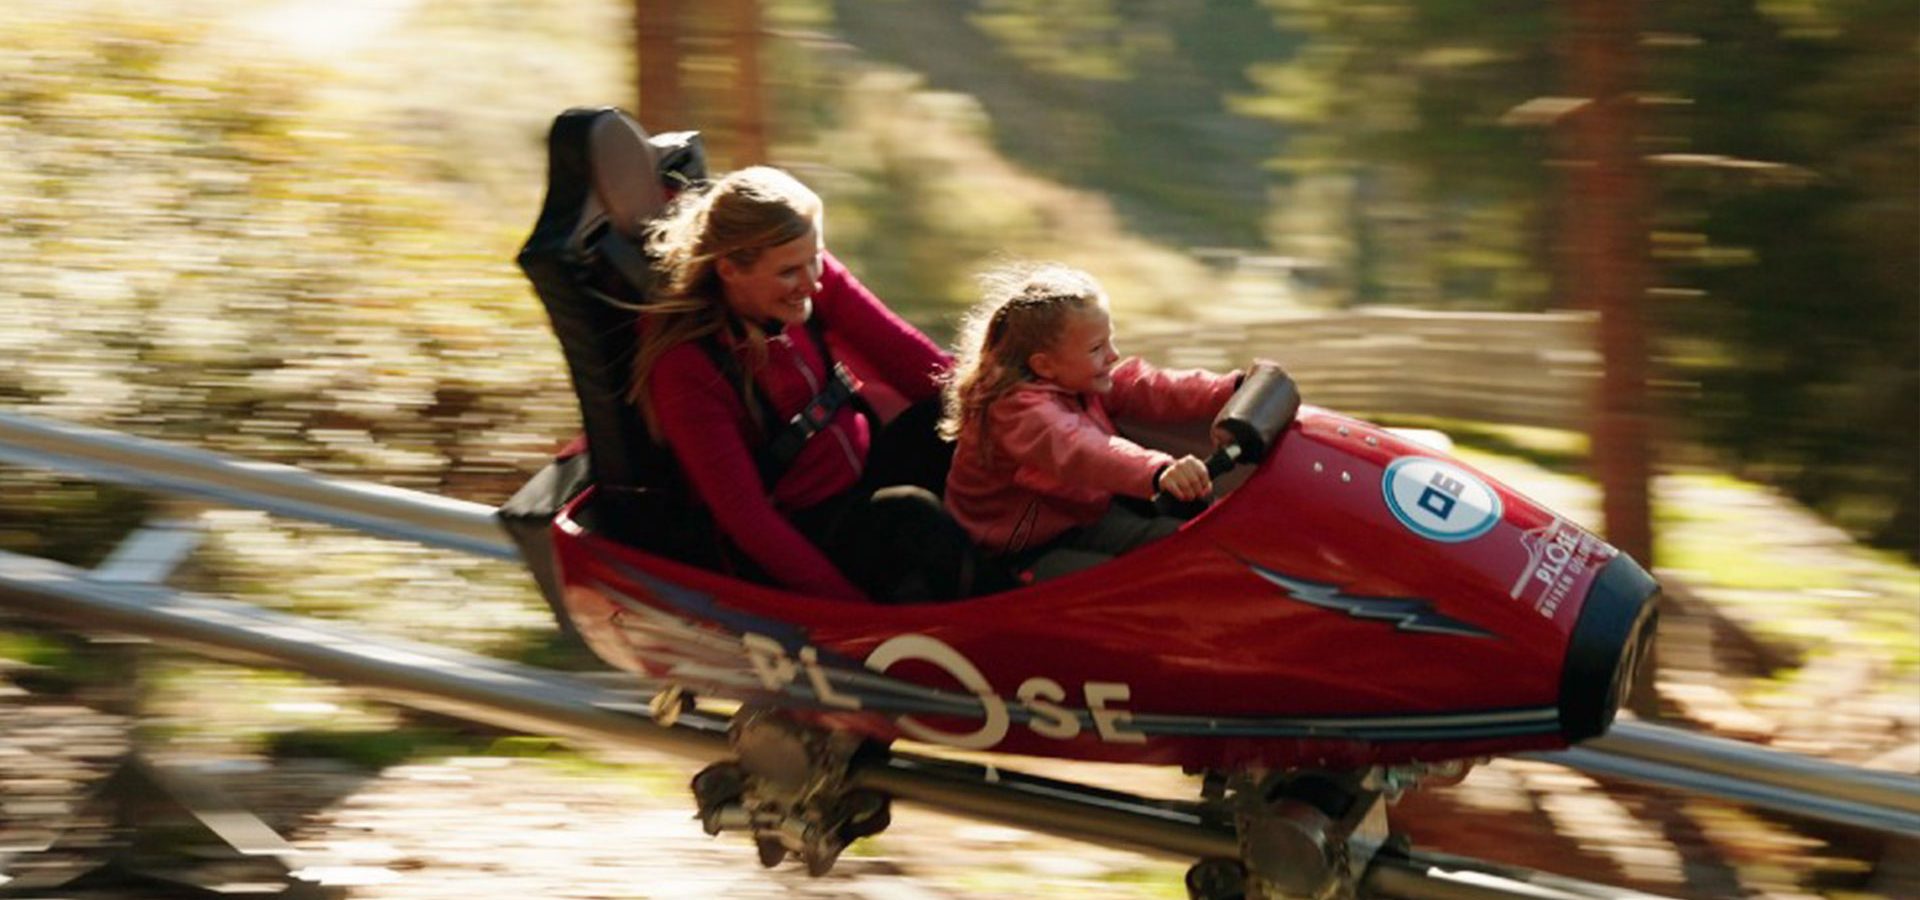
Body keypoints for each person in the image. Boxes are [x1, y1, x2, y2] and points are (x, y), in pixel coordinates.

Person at [632, 165, 983, 602]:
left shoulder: (801, 271)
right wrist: (850, 618)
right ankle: (1005, 617)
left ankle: (1039, 561)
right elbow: (750, 523)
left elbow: (915, 363)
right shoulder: (687, 365)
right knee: (914, 521)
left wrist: (1009, 410)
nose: (812, 282)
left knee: (954, 422)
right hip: (803, 528)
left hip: (861, 473)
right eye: (789, 273)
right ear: (730, 269)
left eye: (816, 259)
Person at [940, 263, 1240, 582]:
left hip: (1076, 518)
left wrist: (1229, 389)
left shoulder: (1077, 380)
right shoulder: (1017, 413)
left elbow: (1147, 386)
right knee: (1140, 583)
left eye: (1109, 341)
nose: (1113, 355)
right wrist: (1158, 471)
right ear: (1045, 365)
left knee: (1186, 542)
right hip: (1019, 549)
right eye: (1097, 348)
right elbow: (1080, 448)